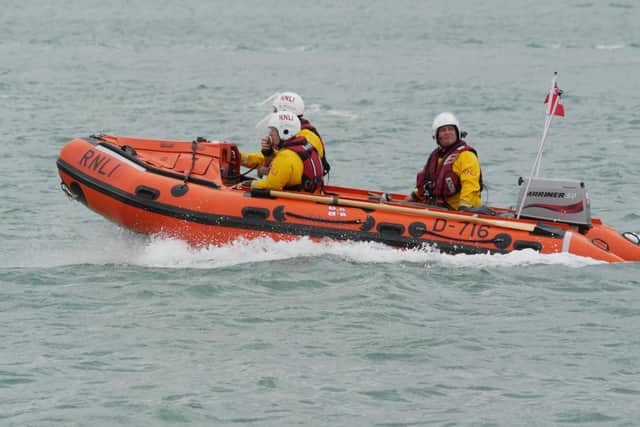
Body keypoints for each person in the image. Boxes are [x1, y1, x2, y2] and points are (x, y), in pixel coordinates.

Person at [241, 91, 330, 177]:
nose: (273, 114)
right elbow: (278, 159)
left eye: (275, 111)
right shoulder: (290, 132)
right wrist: (241, 158)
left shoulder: (307, 136)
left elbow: (286, 165)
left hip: (301, 189)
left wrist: (265, 170)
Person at [409, 112, 483, 210]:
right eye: (443, 130)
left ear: (457, 133)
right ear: (437, 136)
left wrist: (464, 208)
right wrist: (413, 196)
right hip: (438, 207)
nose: (447, 132)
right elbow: (427, 182)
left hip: (459, 210)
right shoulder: (435, 157)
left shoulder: (466, 156)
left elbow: (470, 186)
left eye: (451, 129)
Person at [246, 112, 324, 193]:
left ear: (284, 132)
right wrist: (269, 152)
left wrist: (250, 184)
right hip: (315, 194)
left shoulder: (285, 156)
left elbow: (272, 186)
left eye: (273, 130)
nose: (270, 134)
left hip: (299, 201)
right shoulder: (305, 145)